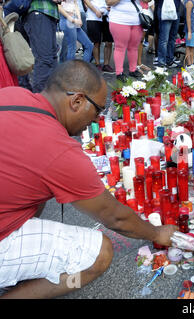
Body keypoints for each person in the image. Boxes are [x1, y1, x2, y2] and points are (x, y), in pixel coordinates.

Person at [0, 60, 178, 299]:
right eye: (98, 110)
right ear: (77, 101)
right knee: (99, 253)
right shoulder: (59, 150)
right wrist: (157, 234)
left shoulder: (13, 94)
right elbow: (114, 217)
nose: (95, 121)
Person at [21, 0, 61, 93]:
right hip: (39, 13)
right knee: (44, 60)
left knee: (52, 59)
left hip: (49, 14)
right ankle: (40, 100)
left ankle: (49, 98)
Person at [106, 0, 146, 81]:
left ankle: (133, 70)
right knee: (120, 47)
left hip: (137, 21)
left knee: (134, 47)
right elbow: (108, 2)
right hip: (119, 20)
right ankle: (119, 73)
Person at [84, 0, 115, 73]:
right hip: (94, 17)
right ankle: (97, 64)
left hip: (108, 17)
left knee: (109, 42)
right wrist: (96, 11)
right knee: (96, 42)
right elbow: (86, 1)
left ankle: (106, 65)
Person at [155, 0, 182, 68]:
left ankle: (169, 60)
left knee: (172, 38)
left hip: (176, 9)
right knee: (164, 39)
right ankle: (161, 63)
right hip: (165, 9)